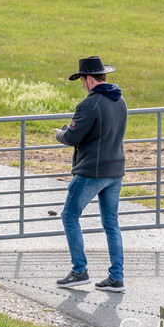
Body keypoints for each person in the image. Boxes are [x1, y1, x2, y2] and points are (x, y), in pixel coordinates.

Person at [53, 56, 128, 293]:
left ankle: (79, 272)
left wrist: (60, 133)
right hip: (115, 170)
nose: (82, 85)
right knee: (111, 223)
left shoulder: (90, 104)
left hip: (91, 172)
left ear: (88, 79)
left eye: (82, 80)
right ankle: (116, 277)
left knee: (69, 216)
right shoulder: (119, 100)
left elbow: (73, 137)